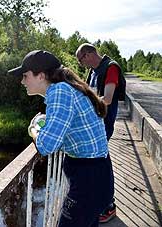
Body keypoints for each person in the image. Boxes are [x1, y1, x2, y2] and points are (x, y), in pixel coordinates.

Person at [8, 50, 114, 227]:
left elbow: (46, 145)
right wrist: (45, 122)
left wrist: (34, 129)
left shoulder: (60, 92)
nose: (22, 81)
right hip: (95, 176)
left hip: (89, 181)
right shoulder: (65, 88)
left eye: (25, 76)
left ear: (41, 75)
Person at [76, 43, 126, 223]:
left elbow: (107, 99)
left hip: (103, 125)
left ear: (88, 55)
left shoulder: (110, 67)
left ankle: (108, 206)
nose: (81, 65)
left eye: (80, 60)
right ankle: (100, 203)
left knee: (102, 165)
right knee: (97, 165)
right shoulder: (93, 71)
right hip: (93, 125)